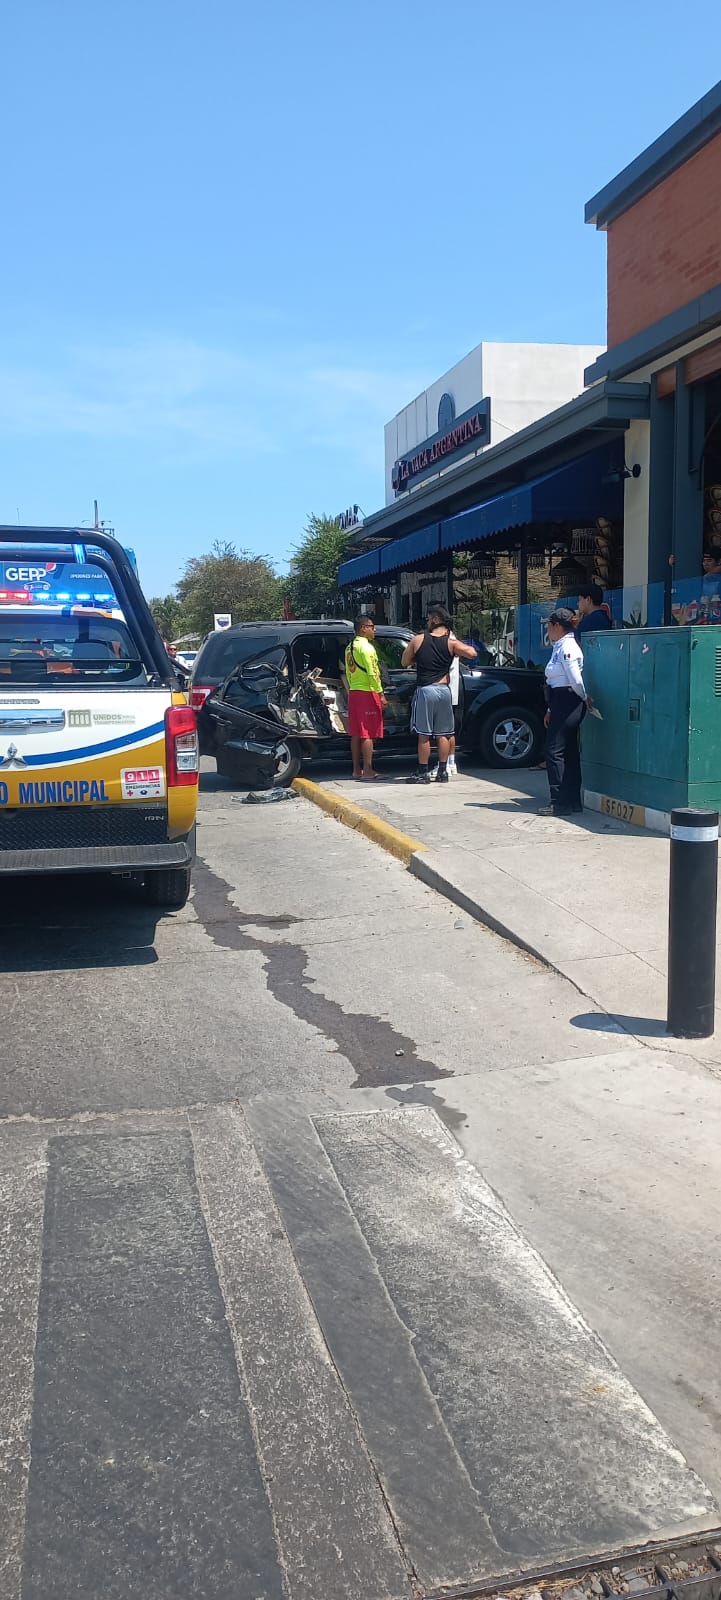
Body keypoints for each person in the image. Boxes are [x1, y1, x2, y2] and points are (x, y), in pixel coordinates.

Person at [401, 605, 476, 784]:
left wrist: (416, 658)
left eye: (428, 619)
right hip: (444, 690)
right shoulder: (451, 643)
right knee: (444, 734)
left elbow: (404, 662)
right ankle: (443, 771)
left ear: (435, 619)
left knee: (424, 734)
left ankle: (423, 771)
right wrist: (455, 651)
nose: (427, 622)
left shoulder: (418, 640)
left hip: (425, 690)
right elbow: (472, 653)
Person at [540, 607, 593, 817]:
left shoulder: (567, 647)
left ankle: (559, 801)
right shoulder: (560, 646)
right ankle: (571, 800)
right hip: (560, 699)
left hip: (569, 699)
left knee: (553, 751)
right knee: (568, 751)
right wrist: (551, 708)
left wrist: (584, 696)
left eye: (549, 625)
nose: (548, 629)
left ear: (557, 626)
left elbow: (574, 678)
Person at [344, 616, 386, 780]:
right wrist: (380, 693)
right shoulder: (367, 648)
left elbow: (349, 671)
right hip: (367, 692)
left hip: (354, 691)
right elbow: (373, 673)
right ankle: (368, 770)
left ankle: (356, 770)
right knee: (367, 733)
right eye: (372, 626)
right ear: (363, 628)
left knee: (356, 733)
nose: (374, 630)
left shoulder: (349, 647)